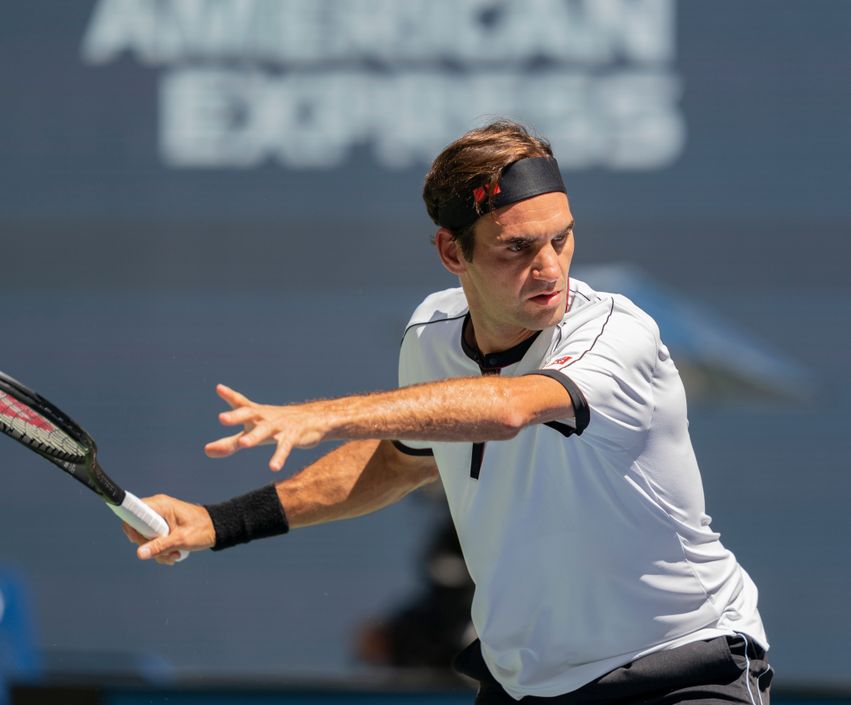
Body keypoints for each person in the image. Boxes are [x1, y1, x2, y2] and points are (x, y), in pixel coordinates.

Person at [122, 120, 772, 704]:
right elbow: (400, 461)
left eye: (562, 238)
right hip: (528, 684)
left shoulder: (616, 333)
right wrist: (218, 520)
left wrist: (331, 412)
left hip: (684, 663)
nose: (549, 268)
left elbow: (512, 408)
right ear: (452, 252)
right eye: (516, 248)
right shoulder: (431, 338)